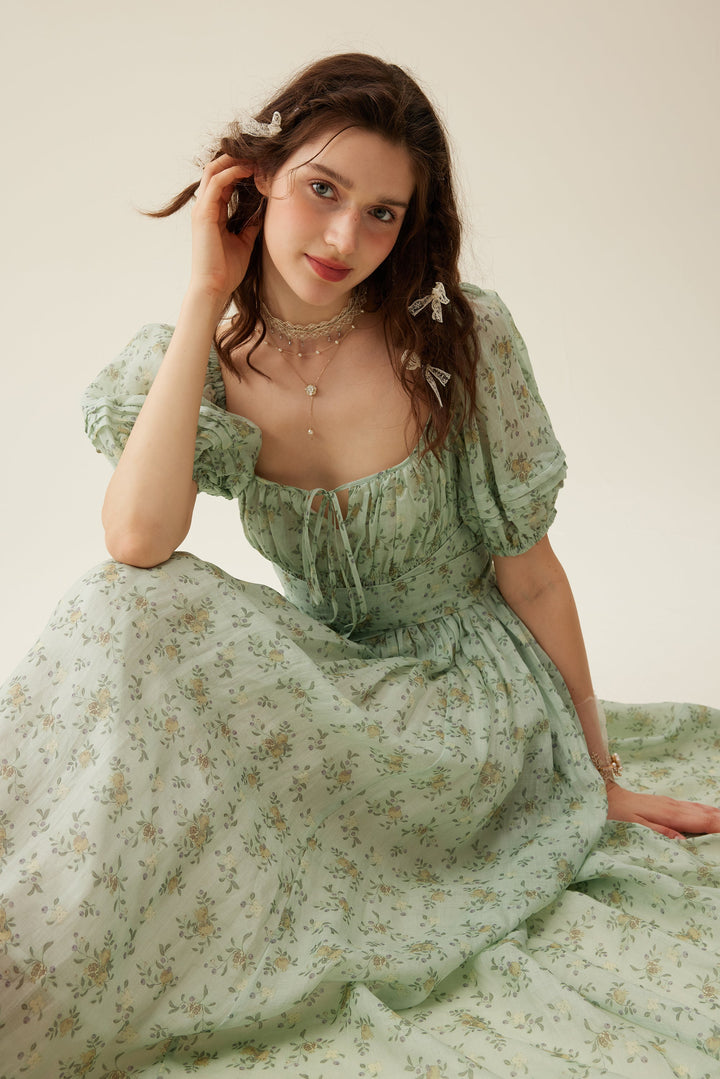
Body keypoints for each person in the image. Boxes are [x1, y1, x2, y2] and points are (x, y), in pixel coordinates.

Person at [1, 52, 719, 1078]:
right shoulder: (199, 361)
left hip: (462, 710)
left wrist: (593, 775)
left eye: (382, 213)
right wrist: (205, 294)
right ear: (255, 181)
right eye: (322, 190)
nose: (345, 239)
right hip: (329, 689)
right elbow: (137, 540)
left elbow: (532, 575)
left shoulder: (457, 340)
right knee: (124, 607)